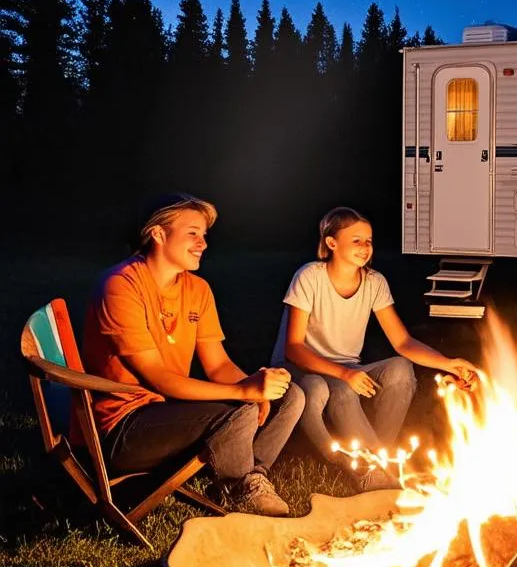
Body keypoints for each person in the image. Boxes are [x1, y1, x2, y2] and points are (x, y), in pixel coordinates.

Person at [82, 193, 304, 516]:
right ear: (158, 234)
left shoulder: (197, 289)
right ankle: (240, 487)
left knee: (291, 395)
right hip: (124, 429)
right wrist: (244, 392)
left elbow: (218, 364)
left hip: (169, 411)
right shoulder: (120, 285)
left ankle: (251, 477)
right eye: (192, 233)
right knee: (238, 409)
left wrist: (255, 385)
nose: (203, 243)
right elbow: (158, 378)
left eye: (204, 235)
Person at [271, 206, 478, 489]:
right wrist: (345, 375)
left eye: (369, 241)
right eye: (356, 240)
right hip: (303, 366)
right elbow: (293, 348)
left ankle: (374, 464)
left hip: (347, 366)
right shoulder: (310, 277)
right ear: (332, 243)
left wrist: (447, 363)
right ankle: (373, 472)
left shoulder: (374, 282)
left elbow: (402, 341)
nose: (365, 247)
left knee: (401, 369)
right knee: (342, 387)